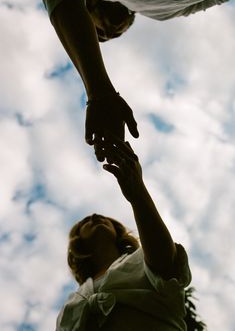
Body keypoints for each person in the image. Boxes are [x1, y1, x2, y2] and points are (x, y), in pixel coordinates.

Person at [37, 0, 235, 159]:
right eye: (108, 37)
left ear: (86, 3)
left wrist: (100, 92)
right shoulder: (163, 12)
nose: (105, 36)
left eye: (96, 31)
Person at [56, 136, 205, 331]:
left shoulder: (140, 259)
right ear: (77, 243)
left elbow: (165, 262)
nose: (93, 216)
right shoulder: (73, 302)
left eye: (104, 219)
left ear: (117, 231)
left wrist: (137, 193)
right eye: (85, 222)